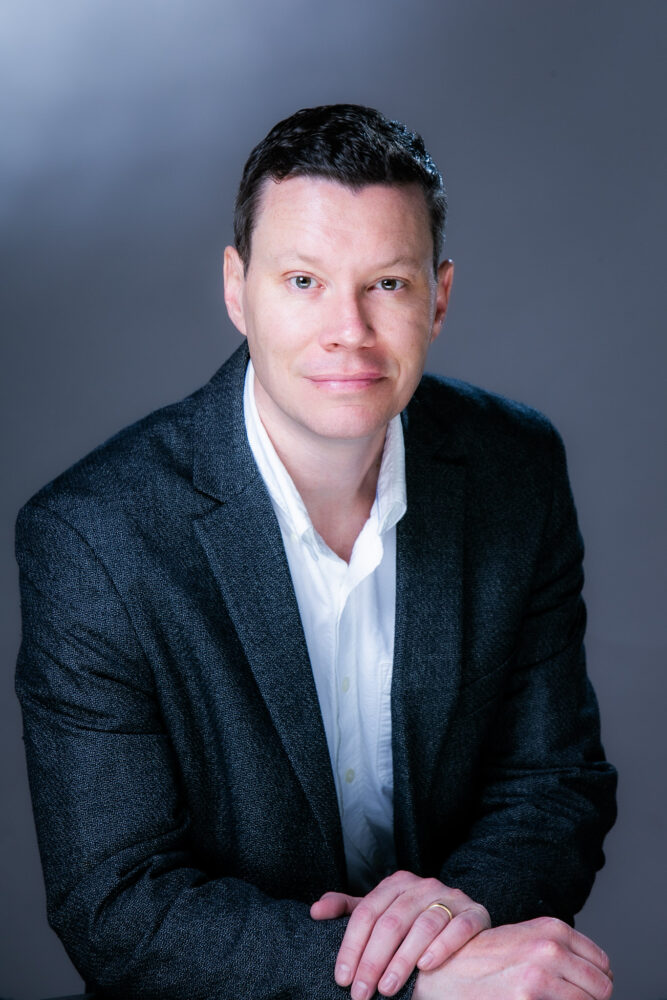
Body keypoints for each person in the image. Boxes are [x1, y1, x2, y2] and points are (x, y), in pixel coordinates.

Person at [15, 104, 617, 1000]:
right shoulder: (94, 538)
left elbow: (553, 783)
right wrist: (412, 987)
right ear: (236, 288)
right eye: (302, 281)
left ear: (439, 297)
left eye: (387, 285)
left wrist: (454, 914)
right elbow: (118, 905)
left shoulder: (515, 469)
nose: (349, 330)